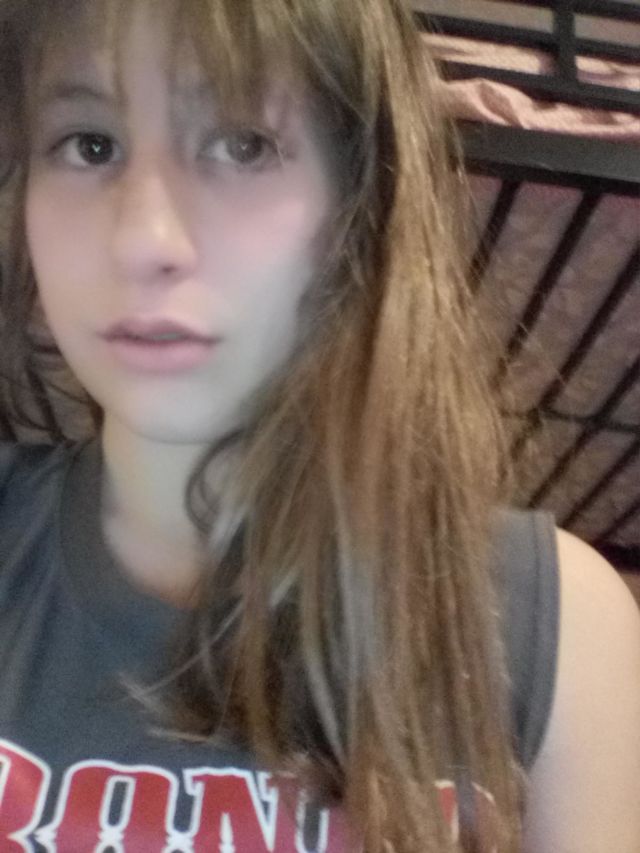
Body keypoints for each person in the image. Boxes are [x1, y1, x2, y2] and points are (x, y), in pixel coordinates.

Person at [0, 0, 638, 850]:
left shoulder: (563, 624)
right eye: (89, 145)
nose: (143, 240)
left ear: (357, 202)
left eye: (243, 144)